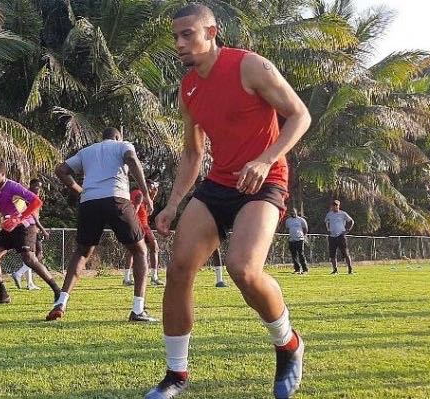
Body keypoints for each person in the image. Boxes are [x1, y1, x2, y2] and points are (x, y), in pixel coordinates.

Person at [145, 4, 311, 398]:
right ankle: (176, 375)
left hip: (265, 179)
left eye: (188, 34)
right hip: (219, 184)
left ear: (212, 31)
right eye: (175, 36)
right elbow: (192, 154)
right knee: (179, 268)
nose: (180, 43)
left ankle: (288, 344)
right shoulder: (189, 87)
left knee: (243, 269)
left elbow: (300, 115)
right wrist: (172, 204)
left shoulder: (250, 66)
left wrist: (266, 158)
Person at [49, 127, 156, 323]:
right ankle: (138, 309)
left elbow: (61, 170)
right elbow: (132, 159)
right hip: (116, 198)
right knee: (140, 251)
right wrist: (146, 194)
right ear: (117, 137)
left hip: (89, 202)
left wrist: (79, 190)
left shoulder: (87, 151)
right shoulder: (122, 145)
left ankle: (61, 303)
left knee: (82, 252)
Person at [0, 162, 61, 304]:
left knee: (29, 259)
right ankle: (3, 295)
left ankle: (57, 291)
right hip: (9, 227)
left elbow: (36, 202)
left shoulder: (13, 186)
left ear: (3, 175)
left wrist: (19, 218)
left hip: (25, 226)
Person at [123, 179, 164, 286]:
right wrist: (131, 223)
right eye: (150, 186)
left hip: (142, 225)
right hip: (140, 225)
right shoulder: (139, 194)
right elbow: (134, 209)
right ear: (145, 185)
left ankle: (128, 278)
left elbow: (147, 213)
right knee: (151, 248)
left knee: (139, 250)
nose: (152, 188)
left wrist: (153, 196)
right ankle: (152, 277)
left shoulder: (140, 195)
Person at [12, 178, 49, 290]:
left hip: (33, 229)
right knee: (38, 255)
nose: (38, 189)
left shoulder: (34, 197)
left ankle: (30, 283)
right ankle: (19, 273)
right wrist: (43, 229)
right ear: (31, 185)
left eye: (40, 186)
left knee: (31, 256)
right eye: (37, 186)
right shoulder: (28, 197)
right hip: (30, 229)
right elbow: (32, 216)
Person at [325, 200, 354, 275]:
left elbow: (351, 221)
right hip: (332, 236)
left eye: (336, 205)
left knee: (345, 253)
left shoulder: (343, 214)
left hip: (341, 236)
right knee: (332, 254)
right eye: (334, 205)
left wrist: (347, 230)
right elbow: (326, 222)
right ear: (332, 206)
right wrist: (328, 230)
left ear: (339, 206)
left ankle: (350, 269)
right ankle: (335, 270)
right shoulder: (329, 214)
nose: (335, 207)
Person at [285, 209, 309, 274]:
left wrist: (303, 235)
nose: (293, 213)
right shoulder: (288, 221)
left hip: (300, 239)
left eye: (294, 212)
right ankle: (297, 269)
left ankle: (305, 269)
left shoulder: (301, 220)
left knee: (301, 254)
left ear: (296, 212)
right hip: (292, 239)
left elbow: (305, 228)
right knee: (294, 255)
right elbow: (287, 229)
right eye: (291, 212)